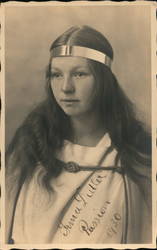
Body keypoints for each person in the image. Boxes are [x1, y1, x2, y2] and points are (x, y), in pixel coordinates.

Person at [6, 25, 152, 244]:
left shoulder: (138, 156)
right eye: (56, 75)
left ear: (103, 81)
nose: (66, 87)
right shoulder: (29, 147)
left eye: (79, 74)